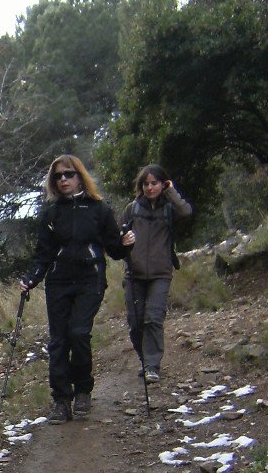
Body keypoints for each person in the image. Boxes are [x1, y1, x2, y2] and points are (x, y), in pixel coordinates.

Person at [20, 155, 134, 422]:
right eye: (58, 176)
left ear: (80, 176)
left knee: (79, 333)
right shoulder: (51, 213)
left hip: (89, 280)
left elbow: (114, 249)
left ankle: (83, 389)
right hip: (58, 282)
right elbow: (43, 254)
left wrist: (127, 243)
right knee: (58, 341)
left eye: (68, 174)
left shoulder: (99, 209)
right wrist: (31, 278)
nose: (63, 180)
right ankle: (61, 400)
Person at [120, 164, 193, 384]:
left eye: (155, 183)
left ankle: (152, 365)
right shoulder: (132, 209)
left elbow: (186, 212)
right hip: (134, 274)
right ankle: (145, 359)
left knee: (153, 318)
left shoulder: (170, 208)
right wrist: (123, 240)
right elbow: (118, 235)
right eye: (146, 184)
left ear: (163, 184)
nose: (150, 187)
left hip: (161, 273)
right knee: (135, 322)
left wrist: (171, 191)